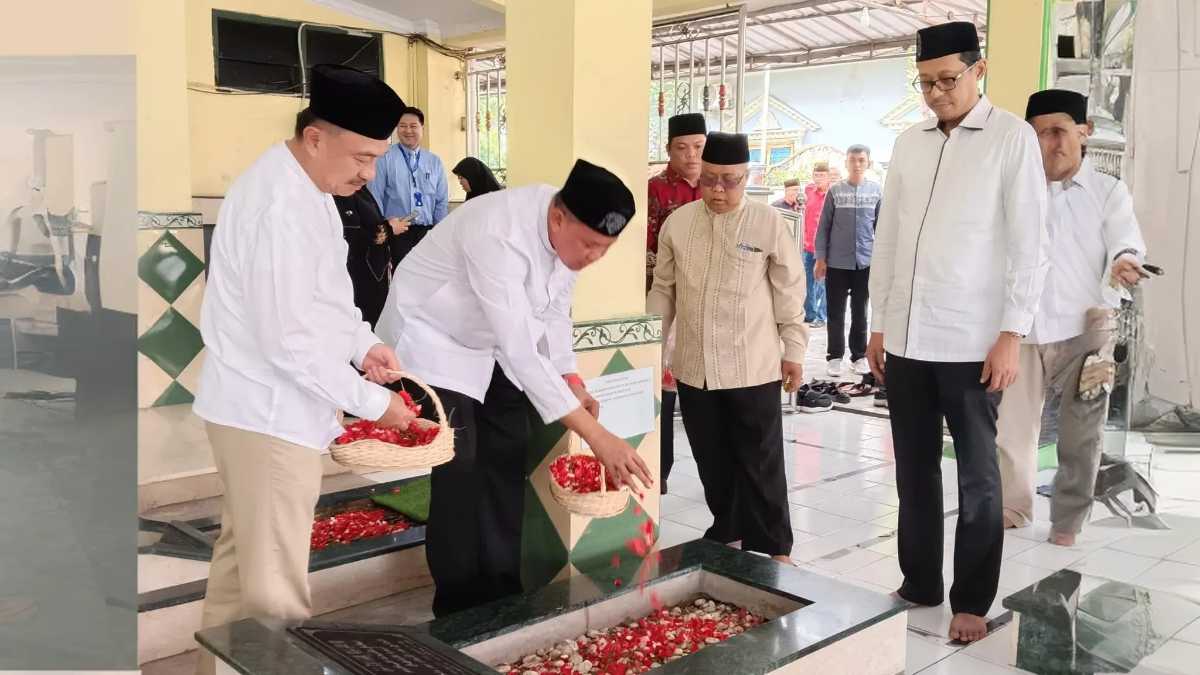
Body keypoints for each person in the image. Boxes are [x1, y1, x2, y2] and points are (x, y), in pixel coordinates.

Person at [191, 65, 418, 675]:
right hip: (267, 416)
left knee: (243, 568)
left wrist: (363, 345)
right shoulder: (279, 204)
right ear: (315, 137)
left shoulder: (310, 191)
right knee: (276, 594)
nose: (368, 174)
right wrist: (377, 405)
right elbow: (288, 340)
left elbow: (325, 300)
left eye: (377, 159)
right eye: (362, 157)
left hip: (265, 412)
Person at [375, 159, 653, 617]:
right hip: (435, 339)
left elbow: (555, 312)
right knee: (461, 469)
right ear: (559, 218)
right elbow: (523, 352)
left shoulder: (569, 235)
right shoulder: (498, 232)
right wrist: (597, 437)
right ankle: (459, 606)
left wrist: (571, 376)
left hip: (491, 341)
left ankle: (502, 594)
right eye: (589, 245)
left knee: (507, 454)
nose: (592, 257)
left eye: (604, 249)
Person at [866, 22, 1049, 644]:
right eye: (926, 83)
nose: (938, 93)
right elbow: (887, 239)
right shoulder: (909, 144)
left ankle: (971, 599)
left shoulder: (1011, 139)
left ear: (980, 69)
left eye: (949, 79)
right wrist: (878, 324)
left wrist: (1011, 332)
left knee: (977, 477)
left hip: (974, 343)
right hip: (909, 342)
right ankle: (919, 581)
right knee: (913, 472)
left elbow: (1029, 242)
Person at [648, 131, 807, 566]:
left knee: (761, 461)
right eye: (711, 179)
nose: (719, 190)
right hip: (694, 365)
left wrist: (794, 348)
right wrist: (651, 349)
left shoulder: (767, 223)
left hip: (751, 363)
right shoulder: (678, 224)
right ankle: (729, 527)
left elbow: (789, 291)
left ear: (747, 176)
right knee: (711, 458)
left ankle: (776, 547)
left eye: (731, 181)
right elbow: (664, 289)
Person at [997, 89, 1147, 544]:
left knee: (1082, 434)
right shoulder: (1014, 192)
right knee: (1010, 430)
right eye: (1038, 134)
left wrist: (1124, 262)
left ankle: (1067, 521)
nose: (1050, 144)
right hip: (1019, 329)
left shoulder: (1108, 190)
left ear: (1085, 132)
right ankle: (1011, 508)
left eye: (1059, 131)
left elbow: (1126, 240)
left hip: (1087, 328)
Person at [647, 112, 706, 495]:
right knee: (664, 386)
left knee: (702, 387)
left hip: (706, 303)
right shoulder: (655, 188)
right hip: (669, 296)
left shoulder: (715, 184)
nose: (690, 155)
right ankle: (661, 468)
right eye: (681, 148)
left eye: (698, 147)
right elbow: (648, 249)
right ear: (668, 150)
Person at [815, 145, 881, 378]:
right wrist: (820, 258)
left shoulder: (876, 191)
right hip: (837, 263)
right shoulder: (835, 191)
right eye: (852, 160)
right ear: (846, 162)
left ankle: (859, 356)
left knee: (861, 312)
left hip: (865, 263)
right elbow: (823, 227)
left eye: (861, 160)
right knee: (835, 312)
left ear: (868, 163)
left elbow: (881, 230)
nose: (857, 164)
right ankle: (834, 357)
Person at [367, 106, 450, 265]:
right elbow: (375, 196)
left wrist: (441, 234)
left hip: (427, 233)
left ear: (422, 128)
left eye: (413, 126)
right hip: (398, 233)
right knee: (400, 279)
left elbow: (441, 201)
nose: (408, 131)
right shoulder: (384, 158)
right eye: (402, 126)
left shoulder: (434, 161)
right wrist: (383, 230)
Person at [334, 185, 391, 328]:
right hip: (360, 272)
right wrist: (387, 229)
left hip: (376, 269)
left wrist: (386, 229)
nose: (369, 173)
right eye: (360, 161)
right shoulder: (340, 191)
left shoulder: (360, 189)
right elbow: (350, 235)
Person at [802, 162, 831, 327]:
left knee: (823, 284)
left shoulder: (832, 194)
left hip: (825, 249)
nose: (819, 178)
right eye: (816, 175)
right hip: (807, 246)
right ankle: (810, 314)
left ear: (828, 177)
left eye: (822, 175)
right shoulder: (807, 191)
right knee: (808, 282)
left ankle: (821, 316)